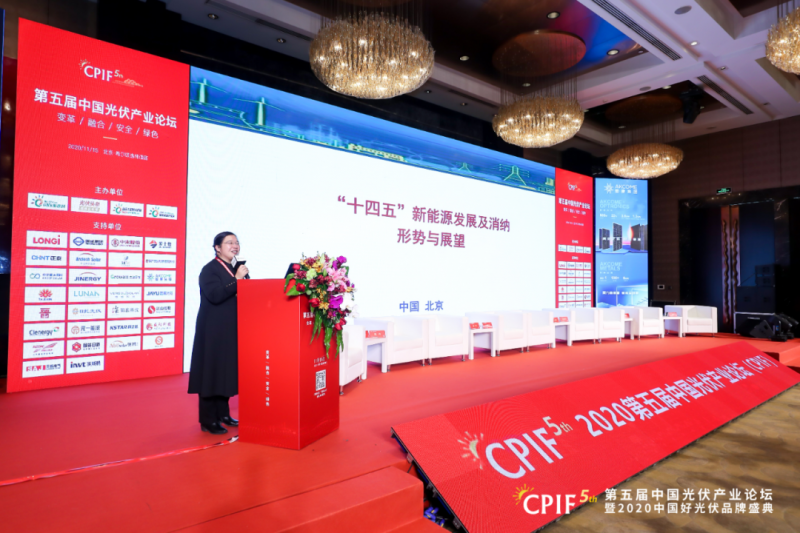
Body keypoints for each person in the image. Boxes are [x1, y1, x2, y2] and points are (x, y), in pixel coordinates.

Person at [188, 231, 249, 434]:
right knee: (211, 372)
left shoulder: (236, 268)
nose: (235, 246)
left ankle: (223, 414)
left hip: (231, 328)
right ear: (217, 248)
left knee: (225, 371)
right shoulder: (209, 270)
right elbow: (214, 295)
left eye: (237, 242)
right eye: (229, 242)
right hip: (213, 330)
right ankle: (208, 420)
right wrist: (237, 280)